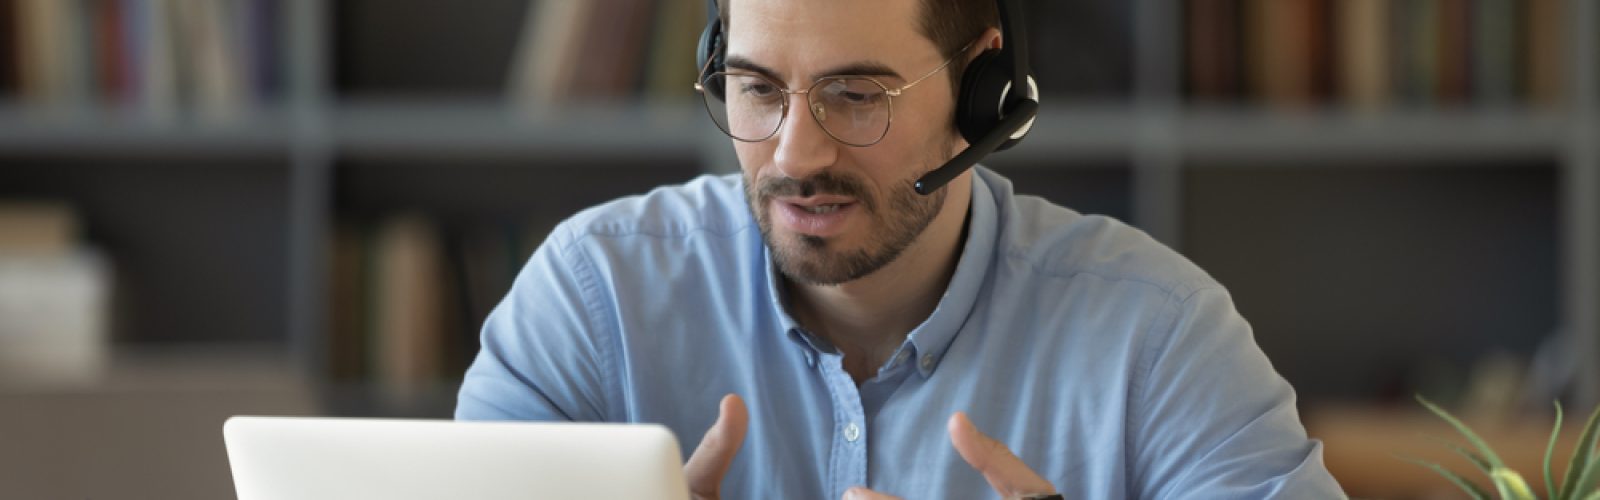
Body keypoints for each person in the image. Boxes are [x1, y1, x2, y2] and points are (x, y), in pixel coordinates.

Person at [456, 0, 1346, 497]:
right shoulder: (590, 298)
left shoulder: (1160, 338)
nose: (796, 155)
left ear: (983, 89)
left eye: (854, 95)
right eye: (756, 89)